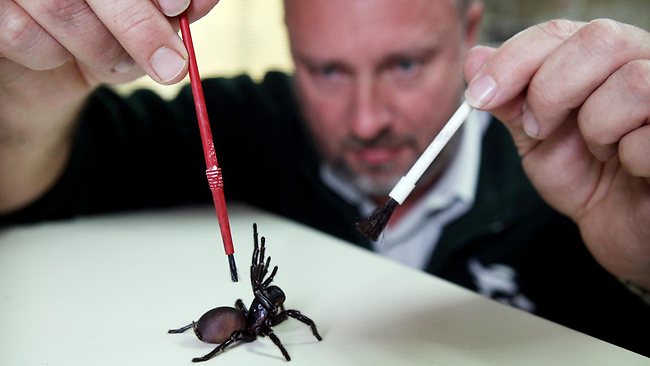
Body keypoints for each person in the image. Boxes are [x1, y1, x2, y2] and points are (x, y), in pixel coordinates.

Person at [1, 0, 649, 356]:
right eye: (328, 71)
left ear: (469, 32)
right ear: (288, 41)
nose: (366, 120)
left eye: (403, 64)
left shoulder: (579, 165)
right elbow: (41, 177)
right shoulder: (247, 128)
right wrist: (22, 100)